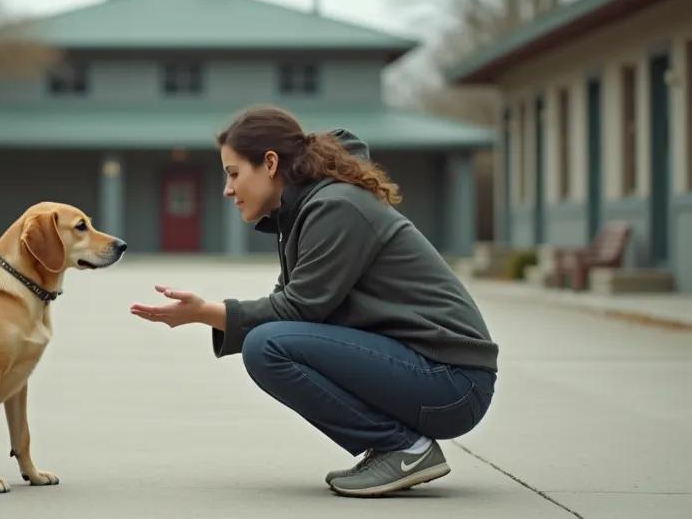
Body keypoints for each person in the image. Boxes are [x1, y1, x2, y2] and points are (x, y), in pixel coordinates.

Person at [130, 104, 499, 498]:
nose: (228, 189)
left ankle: (405, 449)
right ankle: (397, 447)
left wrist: (207, 313)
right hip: (428, 372)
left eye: (234, 174)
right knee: (271, 339)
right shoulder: (308, 208)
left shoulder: (336, 205)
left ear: (270, 163)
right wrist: (212, 314)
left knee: (267, 346)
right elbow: (291, 305)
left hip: (452, 384)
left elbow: (300, 308)